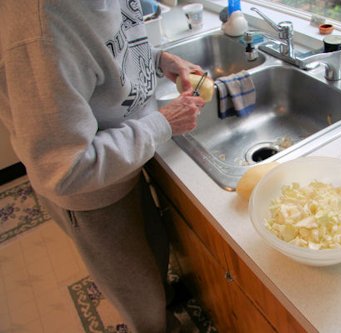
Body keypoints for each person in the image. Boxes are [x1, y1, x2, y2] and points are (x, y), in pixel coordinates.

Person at [0, 0, 206, 332]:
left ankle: (163, 304)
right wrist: (162, 124)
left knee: (155, 252)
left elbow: (112, 44)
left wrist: (157, 60)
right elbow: (65, 170)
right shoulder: (39, 31)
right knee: (140, 300)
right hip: (91, 193)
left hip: (126, 160)